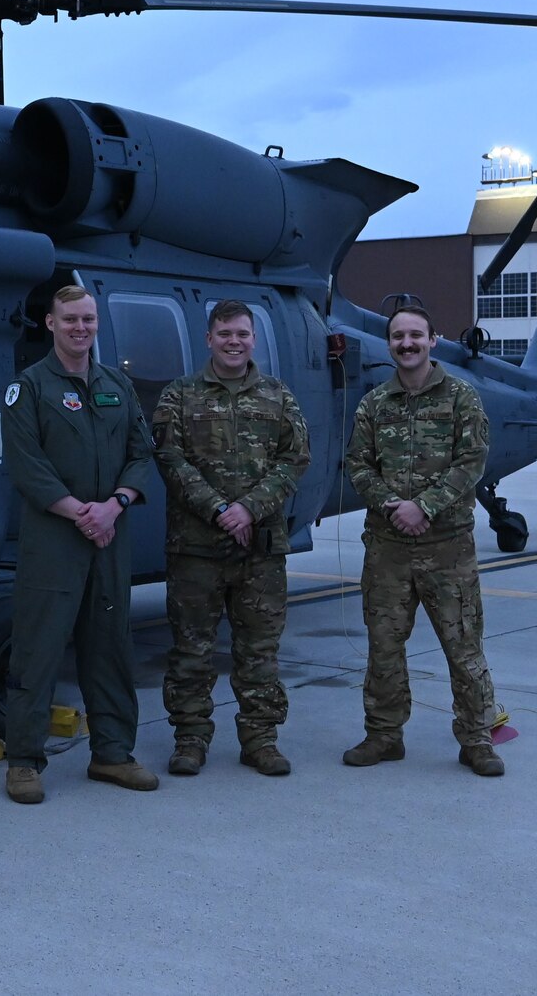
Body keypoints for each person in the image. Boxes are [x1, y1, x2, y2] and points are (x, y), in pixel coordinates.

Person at [0, 285, 160, 804]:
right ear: (50, 324)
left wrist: (113, 505)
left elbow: (141, 453)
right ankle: (24, 760)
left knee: (110, 647)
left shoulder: (118, 385)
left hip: (110, 536)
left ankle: (113, 753)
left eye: (88, 319)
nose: (80, 328)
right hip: (54, 540)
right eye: (70, 319)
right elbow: (28, 467)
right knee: (39, 648)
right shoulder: (29, 390)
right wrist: (80, 513)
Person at [342, 303, 505, 777]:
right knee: (384, 646)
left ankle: (476, 738)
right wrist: (397, 508)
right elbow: (358, 465)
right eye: (398, 337)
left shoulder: (461, 397)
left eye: (416, 335)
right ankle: (384, 735)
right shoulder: (375, 403)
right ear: (389, 344)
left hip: (448, 549)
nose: (407, 344)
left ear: (433, 340)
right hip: (388, 547)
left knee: (463, 646)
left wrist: (425, 507)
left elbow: (472, 460)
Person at [151, 299, 310, 777]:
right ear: (209, 339)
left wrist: (249, 508)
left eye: (242, 334)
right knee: (191, 650)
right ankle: (190, 739)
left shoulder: (279, 396)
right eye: (225, 334)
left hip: (259, 550)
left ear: (253, 339)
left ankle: (260, 740)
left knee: (258, 651)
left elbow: (294, 460)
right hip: (195, 550)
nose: (234, 342)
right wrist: (219, 509)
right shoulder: (178, 396)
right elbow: (170, 460)